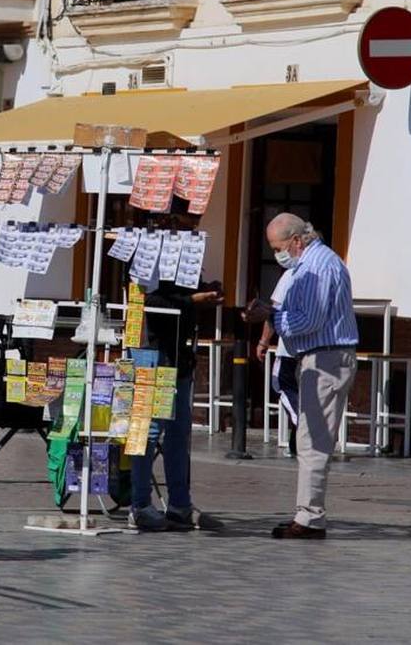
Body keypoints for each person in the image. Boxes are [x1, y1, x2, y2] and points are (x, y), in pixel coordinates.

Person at [244, 213, 358, 540]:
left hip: (327, 358)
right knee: (309, 439)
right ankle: (307, 514)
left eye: (278, 246)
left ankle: (310, 518)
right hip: (318, 356)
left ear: (296, 240)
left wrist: (271, 316)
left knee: (312, 441)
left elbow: (308, 320)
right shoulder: (307, 265)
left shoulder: (318, 267)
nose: (277, 253)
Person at [127, 205, 225, 533]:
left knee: (179, 431)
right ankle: (140, 504)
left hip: (179, 353)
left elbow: (184, 293)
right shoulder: (147, 252)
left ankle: (180, 504)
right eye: (188, 221)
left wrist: (206, 290)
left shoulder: (184, 253)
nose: (194, 228)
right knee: (148, 429)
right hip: (151, 351)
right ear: (169, 220)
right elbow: (151, 303)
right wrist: (194, 300)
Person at [257, 268, 299, 457]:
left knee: (281, 383)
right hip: (318, 350)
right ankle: (295, 445)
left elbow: (275, 310)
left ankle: (301, 424)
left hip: (290, 348)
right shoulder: (330, 271)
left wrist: (264, 341)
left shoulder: (291, 273)